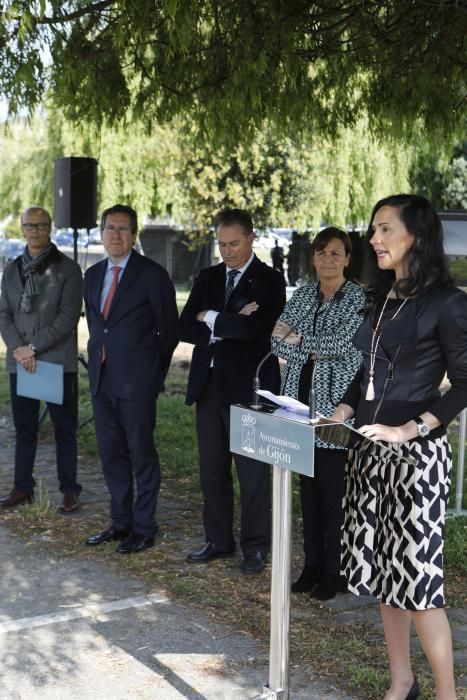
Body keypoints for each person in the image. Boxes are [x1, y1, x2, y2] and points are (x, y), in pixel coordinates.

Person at [330, 195, 466, 700]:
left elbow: (466, 382)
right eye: (373, 229)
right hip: (368, 452)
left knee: (420, 585)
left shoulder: (448, 303)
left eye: (385, 229)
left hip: (416, 460)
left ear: (416, 235)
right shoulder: (380, 297)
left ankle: (448, 695)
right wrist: (343, 412)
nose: (373, 239)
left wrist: (412, 428)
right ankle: (401, 682)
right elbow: (364, 372)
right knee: (388, 578)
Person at [180, 208, 286, 575]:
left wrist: (208, 318)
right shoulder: (208, 276)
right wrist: (226, 319)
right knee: (211, 470)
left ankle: (255, 548)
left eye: (234, 243)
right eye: (222, 244)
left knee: (252, 472)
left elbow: (254, 331)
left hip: (248, 390)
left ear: (251, 237)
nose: (227, 251)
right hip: (207, 387)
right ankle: (217, 540)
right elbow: (184, 326)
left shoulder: (270, 280)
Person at [271, 227, 364, 600]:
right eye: (322, 252)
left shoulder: (356, 297)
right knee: (307, 489)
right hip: (297, 403)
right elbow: (276, 338)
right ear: (313, 257)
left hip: (335, 407)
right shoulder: (304, 294)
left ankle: (335, 571)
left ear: (347, 259)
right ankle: (310, 566)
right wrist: (306, 348)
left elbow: (344, 345)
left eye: (336, 253)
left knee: (332, 492)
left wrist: (300, 342)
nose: (328, 259)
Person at [84, 204, 178, 554]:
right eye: (110, 228)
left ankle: (144, 527)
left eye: (124, 229)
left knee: (142, 456)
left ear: (134, 235)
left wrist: (154, 375)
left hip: (137, 384)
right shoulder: (92, 275)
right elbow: (98, 328)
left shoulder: (152, 275)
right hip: (102, 379)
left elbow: (169, 331)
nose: (116, 235)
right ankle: (120, 522)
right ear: (102, 232)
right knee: (111, 455)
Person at [0, 206, 83, 513]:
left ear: (50, 228)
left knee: (64, 429)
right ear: (21, 228)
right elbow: (3, 314)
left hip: (55, 361)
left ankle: (70, 490)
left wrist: (32, 347)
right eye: (29, 225)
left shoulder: (67, 269)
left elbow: (67, 318)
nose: (34, 230)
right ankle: (23, 488)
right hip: (21, 362)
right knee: (25, 429)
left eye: (41, 225)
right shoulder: (11, 269)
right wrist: (19, 349)